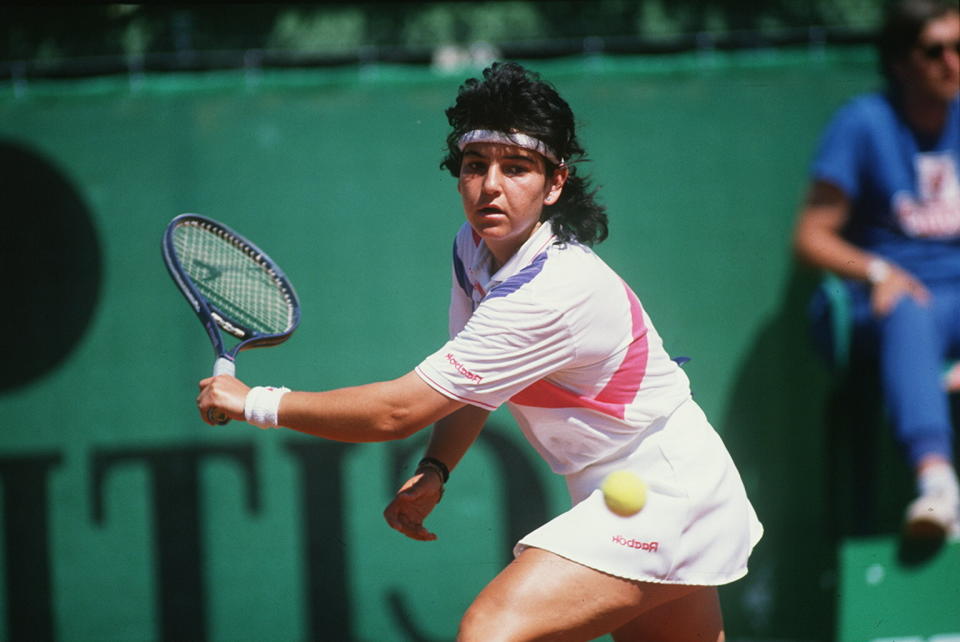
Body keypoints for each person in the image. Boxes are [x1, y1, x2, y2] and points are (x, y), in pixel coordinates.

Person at [197, 61, 762, 641]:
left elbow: (397, 412)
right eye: (475, 166)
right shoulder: (474, 247)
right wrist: (437, 467)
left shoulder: (552, 291)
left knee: (490, 632)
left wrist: (257, 402)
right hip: (633, 491)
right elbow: (473, 385)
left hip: (666, 492)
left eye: (516, 168)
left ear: (555, 183)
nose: (490, 186)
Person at [793, 0, 960, 539]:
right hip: (889, 301)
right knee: (907, 307)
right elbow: (812, 234)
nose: (952, 62)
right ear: (901, 61)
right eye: (936, 50)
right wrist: (877, 272)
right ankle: (938, 486)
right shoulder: (864, 123)